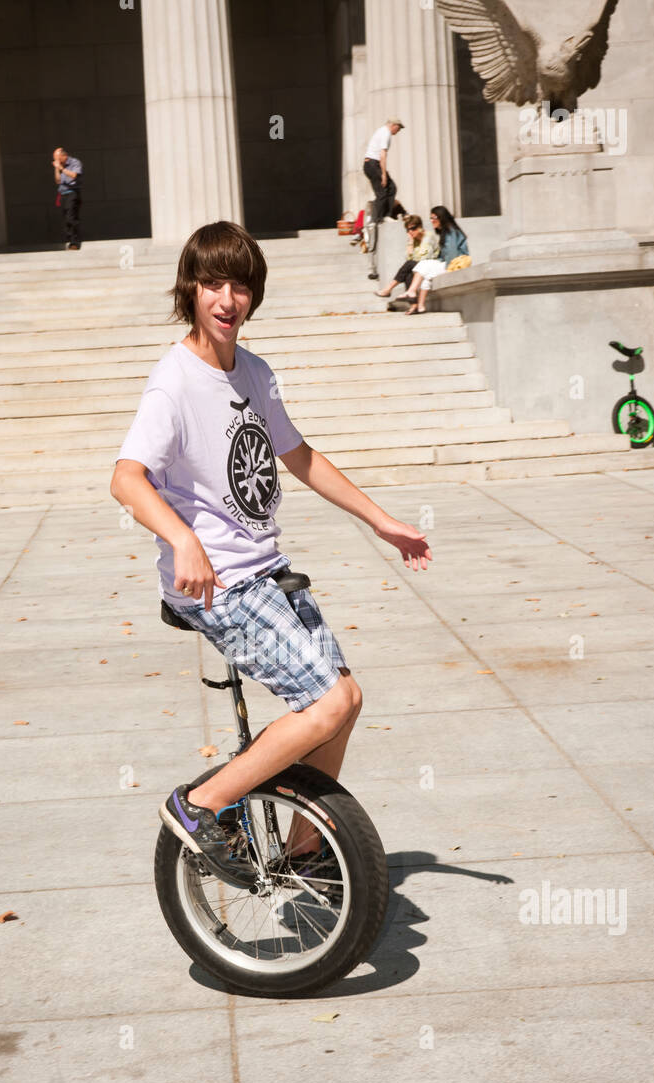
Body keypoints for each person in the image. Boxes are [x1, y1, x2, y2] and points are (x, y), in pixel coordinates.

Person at [110, 221, 431, 880]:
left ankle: (305, 852)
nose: (228, 299)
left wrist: (381, 520)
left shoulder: (254, 371)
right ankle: (200, 805)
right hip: (218, 583)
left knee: (344, 702)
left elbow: (298, 456)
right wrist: (181, 537)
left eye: (241, 285)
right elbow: (125, 477)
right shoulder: (174, 381)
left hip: (266, 572)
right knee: (328, 704)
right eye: (213, 284)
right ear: (190, 290)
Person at [399, 206, 470, 315]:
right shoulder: (445, 232)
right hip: (448, 263)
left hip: (454, 265)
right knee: (426, 274)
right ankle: (421, 306)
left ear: (441, 217)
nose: (431, 220)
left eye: (434, 217)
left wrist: (443, 268)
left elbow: (452, 255)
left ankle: (412, 291)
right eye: (430, 218)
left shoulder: (451, 232)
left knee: (425, 267)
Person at [373, 215, 439, 302]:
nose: (410, 232)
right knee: (408, 273)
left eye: (413, 228)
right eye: (408, 230)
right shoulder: (413, 240)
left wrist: (412, 252)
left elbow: (423, 258)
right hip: (421, 267)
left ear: (420, 227)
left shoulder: (428, 236)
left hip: (432, 265)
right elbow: (409, 257)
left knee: (410, 265)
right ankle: (413, 305)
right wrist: (410, 243)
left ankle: (388, 289)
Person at [362, 118, 403, 223]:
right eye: (398, 128)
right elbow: (383, 155)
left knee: (391, 188)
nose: (398, 131)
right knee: (382, 191)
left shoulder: (381, 131)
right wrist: (383, 174)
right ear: (394, 125)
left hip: (371, 165)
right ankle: (378, 219)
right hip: (373, 164)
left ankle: (383, 216)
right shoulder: (386, 133)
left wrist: (384, 171)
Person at [52, 147, 82, 249]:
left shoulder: (75, 162)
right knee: (66, 219)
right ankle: (69, 239)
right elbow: (58, 181)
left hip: (72, 193)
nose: (57, 161)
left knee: (71, 217)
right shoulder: (60, 165)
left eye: (58, 158)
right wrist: (56, 169)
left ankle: (75, 242)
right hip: (63, 194)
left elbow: (74, 175)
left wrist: (61, 168)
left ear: (64, 156)